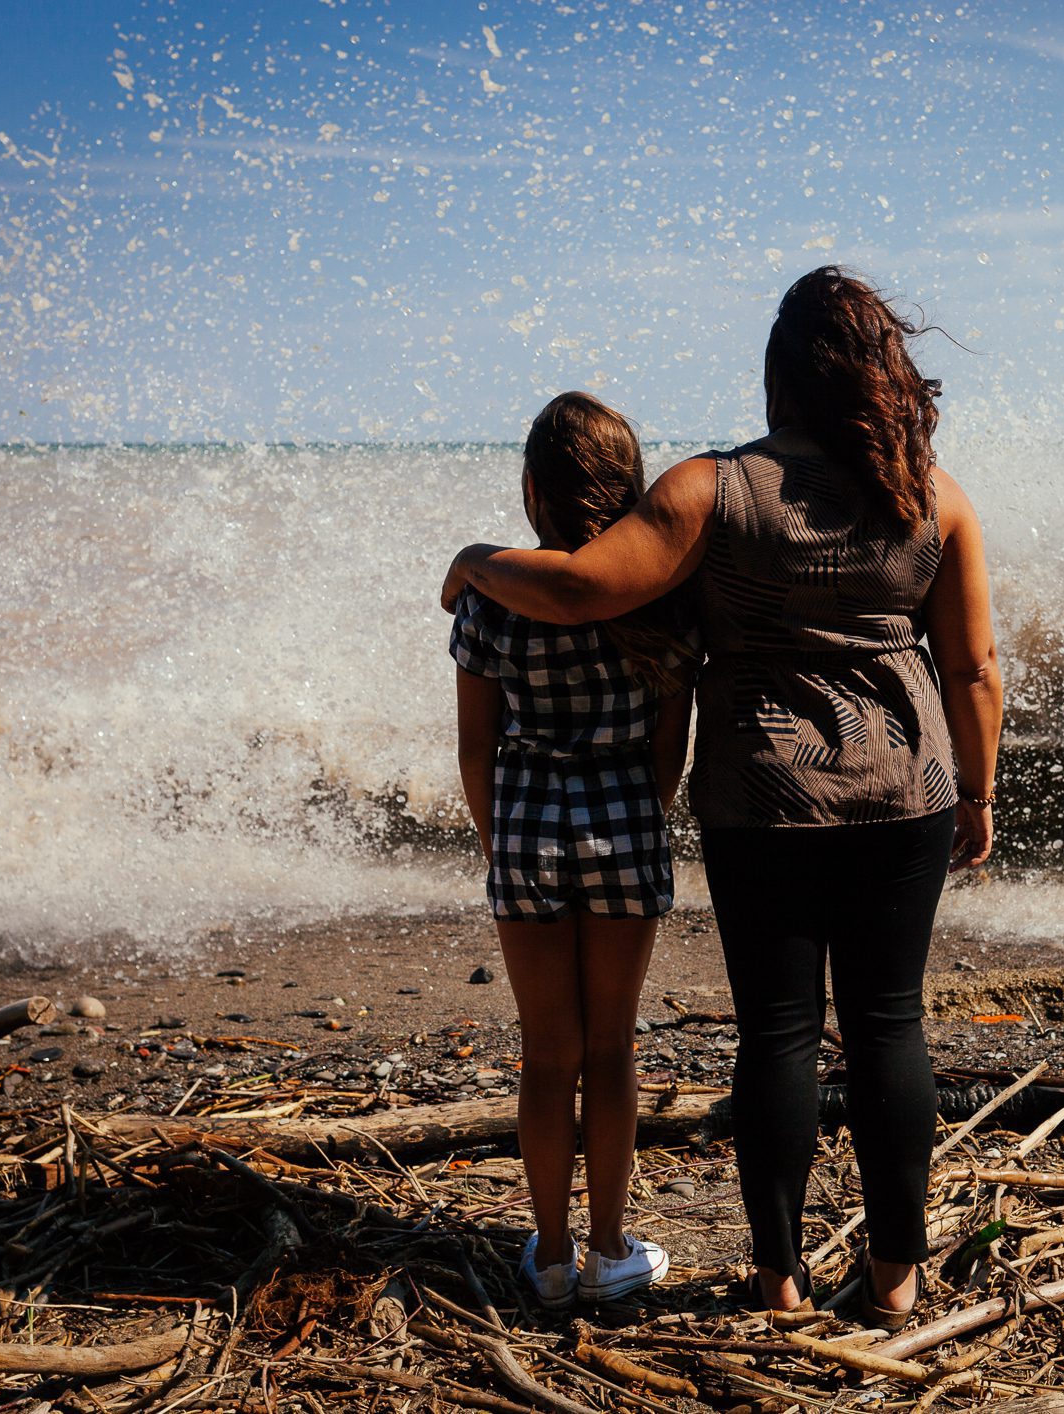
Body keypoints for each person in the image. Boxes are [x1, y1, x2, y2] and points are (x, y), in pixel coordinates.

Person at [444, 268, 1001, 1328]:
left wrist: (476, 559)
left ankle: (779, 1280)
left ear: (779, 373)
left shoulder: (711, 487)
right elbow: (973, 670)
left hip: (764, 793)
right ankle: (895, 1280)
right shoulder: (935, 494)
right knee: (890, 1026)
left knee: (780, 1034)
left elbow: (577, 586)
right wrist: (979, 792)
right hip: (907, 791)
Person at [449, 391, 695, 1310]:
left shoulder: (492, 602)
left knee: (547, 1053)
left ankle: (549, 1257)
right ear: (627, 486)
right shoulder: (660, 594)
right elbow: (673, 744)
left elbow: (476, 749)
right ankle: (610, 1247)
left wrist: (499, 836)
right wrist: (643, 813)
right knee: (613, 1049)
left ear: (530, 491)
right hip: (625, 820)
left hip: (525, 825)